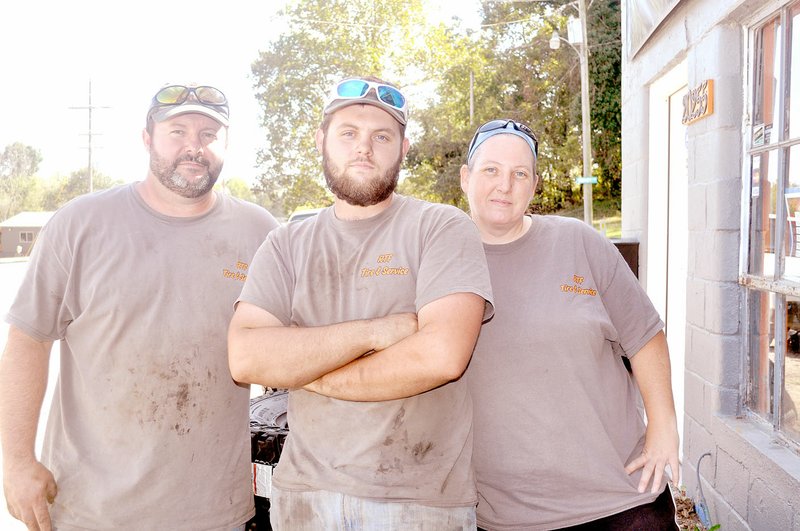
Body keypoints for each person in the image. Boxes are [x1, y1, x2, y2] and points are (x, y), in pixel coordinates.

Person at [0, 83, 279, 530]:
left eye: (209, 133)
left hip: (215, 512)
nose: (194, 146)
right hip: (91, 510)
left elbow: (285, 348)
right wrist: (16, 462)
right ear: (147, 139)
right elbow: (27, 341)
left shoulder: (260, 231)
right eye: (177, 131)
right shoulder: (81, 223)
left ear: (226, 145)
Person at [228, 76, 494, 530]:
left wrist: (306, 371)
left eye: (381, 136)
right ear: (322, 142)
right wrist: (374, 332)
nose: (363, 148)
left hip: (421, 504)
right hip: (305, 498)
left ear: (404, 148)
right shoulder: (286, 244)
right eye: (348, 133)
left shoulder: (441, 228)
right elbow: (246, 357)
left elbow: (442, 357)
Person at [460, 119, 680, 530]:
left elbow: (645, 335)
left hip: (623, 502)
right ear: (465, 177)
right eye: (491, 170)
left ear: (534, 184)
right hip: (508, 516)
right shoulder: (444, 261)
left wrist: (664, 427)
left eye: (519, 173)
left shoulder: (579, 242)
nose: (504, 185)